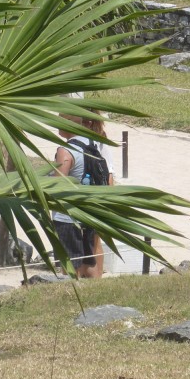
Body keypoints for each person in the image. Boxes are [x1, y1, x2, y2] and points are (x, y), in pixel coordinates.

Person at [51, 116, 98, 278]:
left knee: (69, 265)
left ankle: (72, 295)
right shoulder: (91, 143)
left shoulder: (66, 150)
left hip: (67, 217)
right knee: (87, 263)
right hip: (88, 212)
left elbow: (58, 183)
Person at [81, 113, 115, 276]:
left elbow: (109, 174)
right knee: (89, 240)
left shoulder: (100, 142)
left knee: (94, 240)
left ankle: (96, 276)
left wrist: (106, 200)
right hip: (88, 192)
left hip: (95, 194)